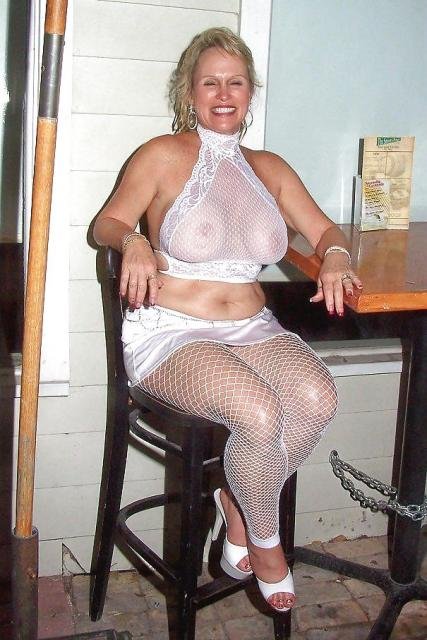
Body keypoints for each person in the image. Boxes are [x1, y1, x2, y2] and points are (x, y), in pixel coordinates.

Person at [93, 27, 362, 612]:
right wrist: (133, 241)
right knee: (258, 412)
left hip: (252, 329)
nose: (223, 94)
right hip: (172, 331)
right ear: (189, 93)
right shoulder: (161, 155)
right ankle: (265, 543)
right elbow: (106, 224)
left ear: (249, 92)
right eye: (209, 82)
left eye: (235, 82)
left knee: (317, 397)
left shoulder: (269, 167)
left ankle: (237, 505)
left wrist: (337, 255)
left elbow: (324, 231)